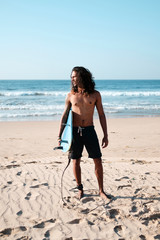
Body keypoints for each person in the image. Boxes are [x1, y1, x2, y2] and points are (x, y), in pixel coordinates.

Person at [58, 66, 110, 202]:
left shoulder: (95, 95)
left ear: (82, 76)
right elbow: (64, 116)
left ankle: (101, 190)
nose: (72, 79)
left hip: (89, 130)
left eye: (74, 76)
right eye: (71, 76)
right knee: (75, 161)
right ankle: (80, 189)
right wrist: (60, 136)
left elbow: (102, 115)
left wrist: (105, 135)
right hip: (74, 132)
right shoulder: (70, 95)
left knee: (97, 160)